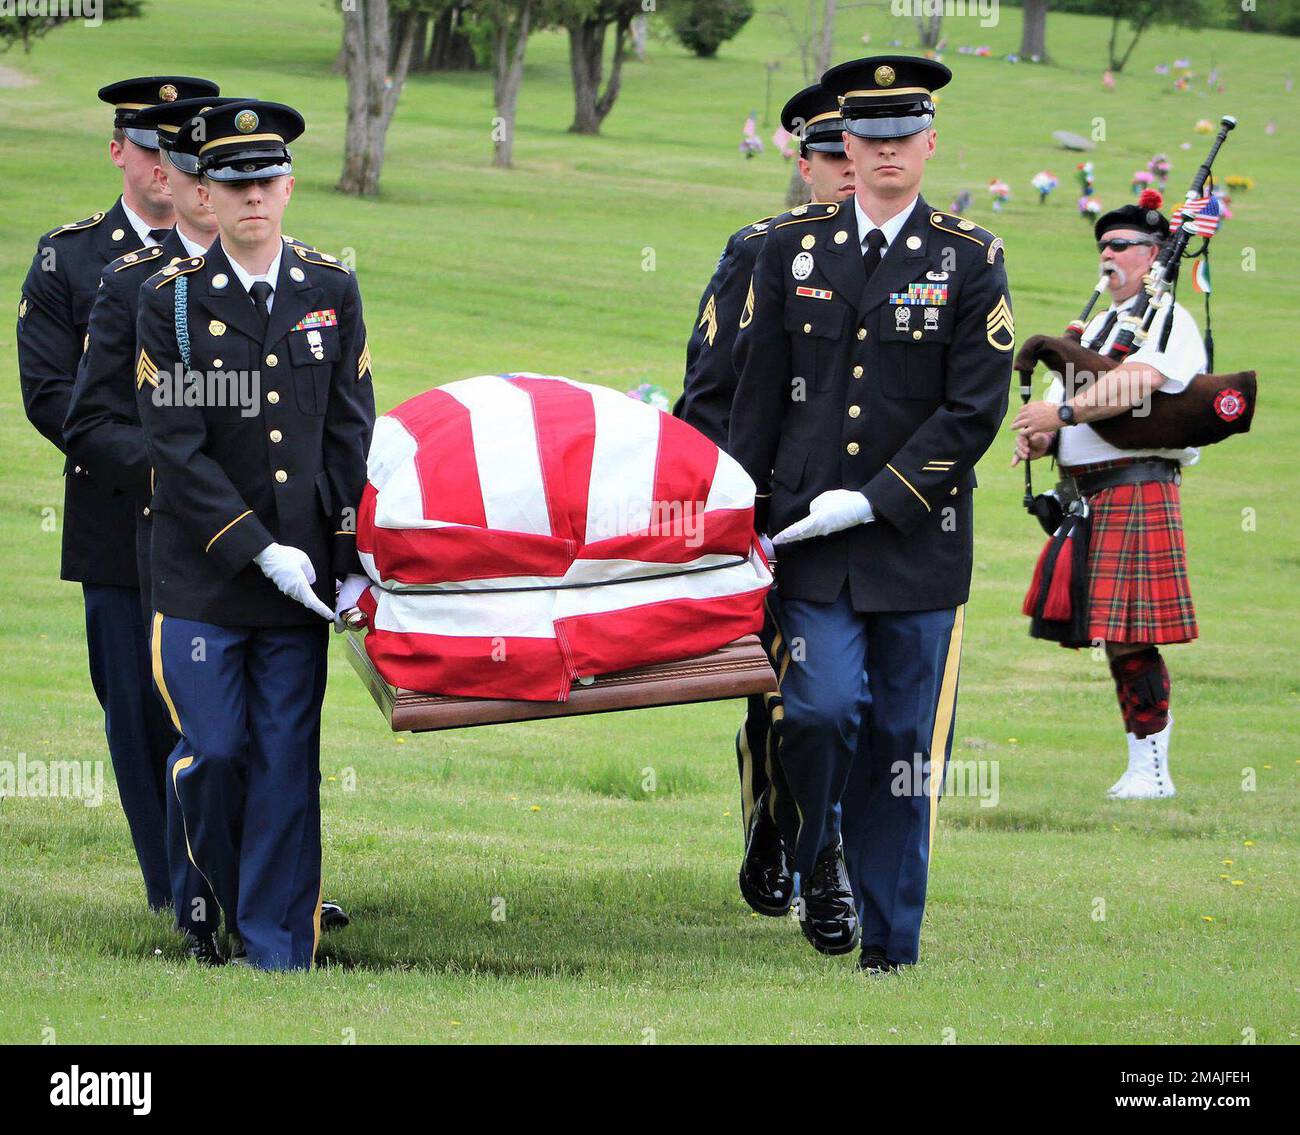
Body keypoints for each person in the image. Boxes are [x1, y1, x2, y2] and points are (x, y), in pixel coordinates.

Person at [729, 57, 1013, 970]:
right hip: (810, 543)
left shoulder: (971, 258)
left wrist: (882, 493)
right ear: (843, 145)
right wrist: (746, 512)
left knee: (901, 745)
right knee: (816, 708)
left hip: (914, 545)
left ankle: (891, 945)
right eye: (869, 139)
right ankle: (815, 852)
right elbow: (758, 394)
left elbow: (974, 408)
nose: (886, 153)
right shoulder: (790, 250)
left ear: (929, 145)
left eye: (904, 138)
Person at [135, 100, 375, 969]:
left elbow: (349, 433)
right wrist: (255, 544)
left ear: (289, 186)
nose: (252, 199)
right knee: (219, 753)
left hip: (302, 582)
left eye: (266, 181)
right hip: (206, 580)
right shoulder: (171, 305)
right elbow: (179, 449)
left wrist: (349, 560)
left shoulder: (328, 289)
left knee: (284, 763)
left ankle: (277, 947)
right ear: (204, 192)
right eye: (233, 184)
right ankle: (221, 898)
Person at [17, 75, 219, 913]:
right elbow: (53, 398)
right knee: (137, 712)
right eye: (146, 148)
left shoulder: (229, 249)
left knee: (210, 714)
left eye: (178, 149)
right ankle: (175, 893)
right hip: (116, 525)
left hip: (215, 531)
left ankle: (226, 882)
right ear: (120, 153)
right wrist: (169, 462)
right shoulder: (72, 256)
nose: (162, 166)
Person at [674, 83, 854, 919]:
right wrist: (721, 508)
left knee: (864, 704)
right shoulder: (760, 250)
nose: (850, 168)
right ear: (804, 161)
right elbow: (711, 387)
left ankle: (824, 852)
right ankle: (787, 833)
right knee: (786, 691)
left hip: (882, 517)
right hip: (778, 511)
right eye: (831, 154)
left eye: (862, 151)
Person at [1012, 196, 1206, 800]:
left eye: (1121, 246)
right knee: (1109, 631)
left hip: (1136, 487)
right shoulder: (1097, 328)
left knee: (1130, 633)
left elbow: (1139, 383)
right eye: (1104, 246)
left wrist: (1064, 409)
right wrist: (1043, 435)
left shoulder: (1169, 318)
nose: (1109, 255)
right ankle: (1141, 765)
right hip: (1087, 497)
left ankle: (1152, 772)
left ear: (1153, 257)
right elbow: (1064, 413)